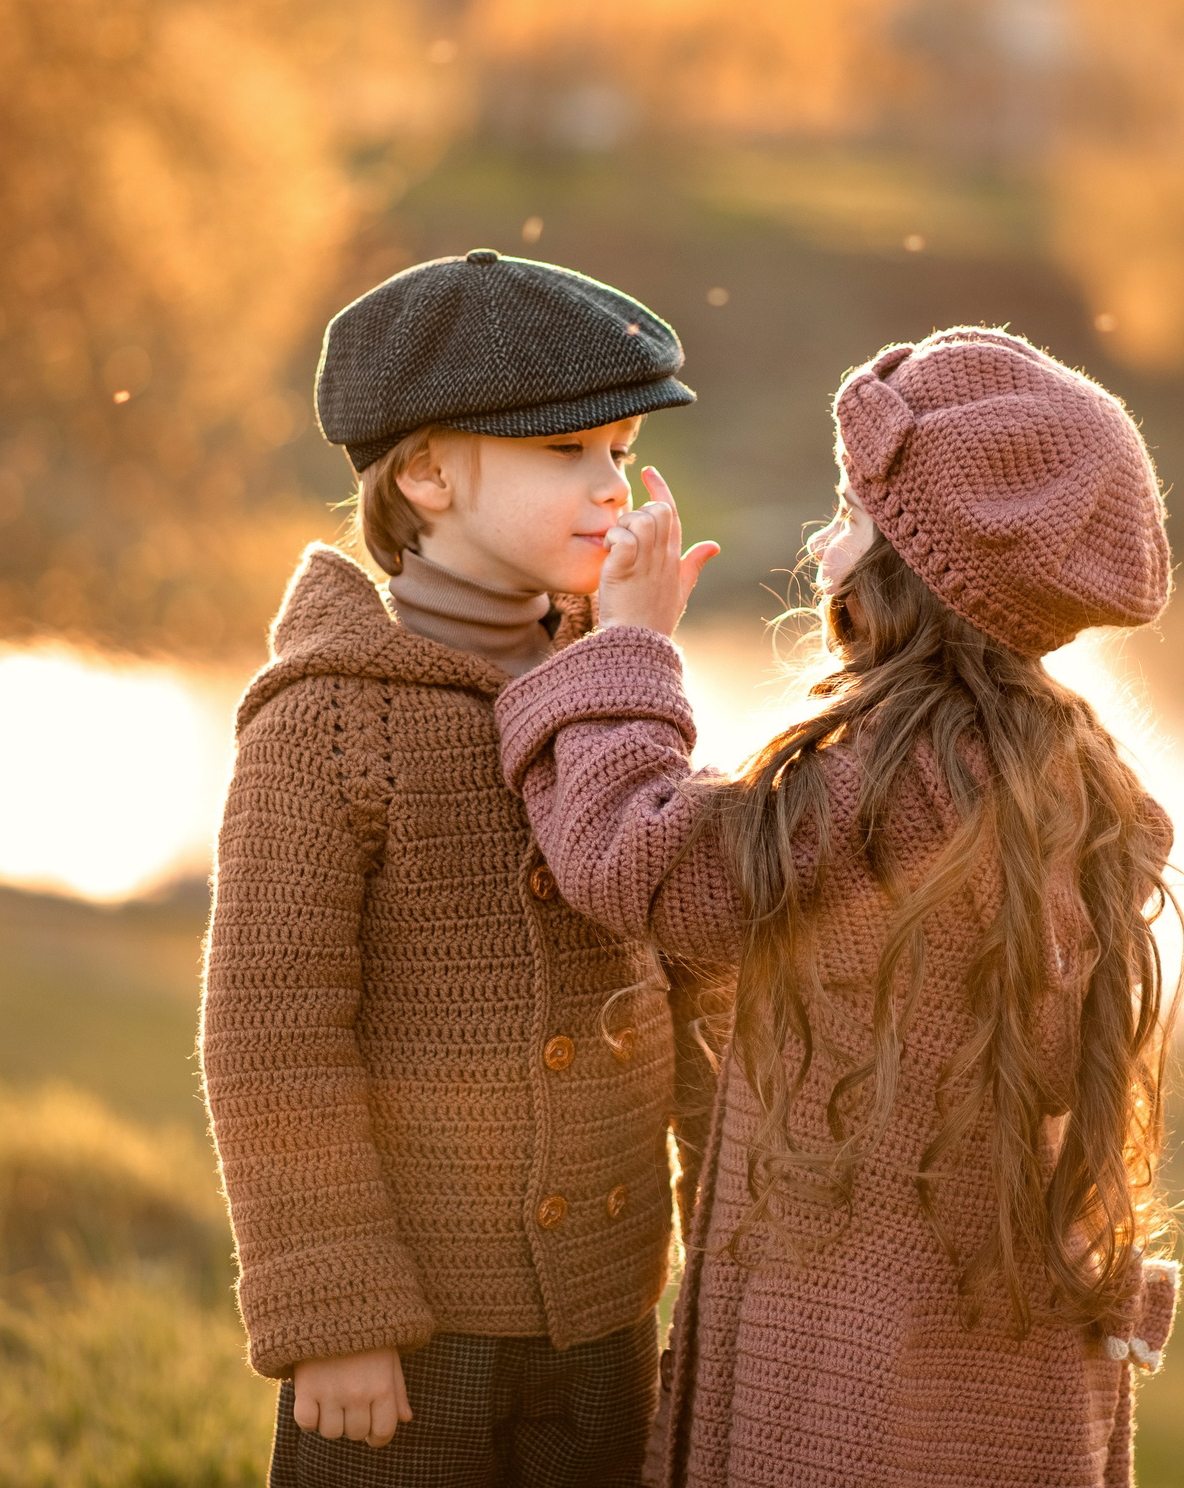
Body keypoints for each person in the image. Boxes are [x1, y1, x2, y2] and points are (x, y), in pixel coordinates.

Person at [495, 326, 1184, 1488]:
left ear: (913, 571)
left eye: (848, 515)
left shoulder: (884, 777)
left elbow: (644, 863)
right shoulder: (1073, 775)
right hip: (998, 1309)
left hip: (849, 1338)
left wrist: (626, 647)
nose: (820, 544)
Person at [200, 249, 720, 1488]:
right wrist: (338, 1316)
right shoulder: (328, 719)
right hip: (410, 1328)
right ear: (427, 473)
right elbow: (273, 1035)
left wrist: (730, 1232)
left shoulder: (617, 693)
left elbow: (697, 964)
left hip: (606, 1310)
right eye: (566, 454)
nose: (612, 487)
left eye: (620, 449)